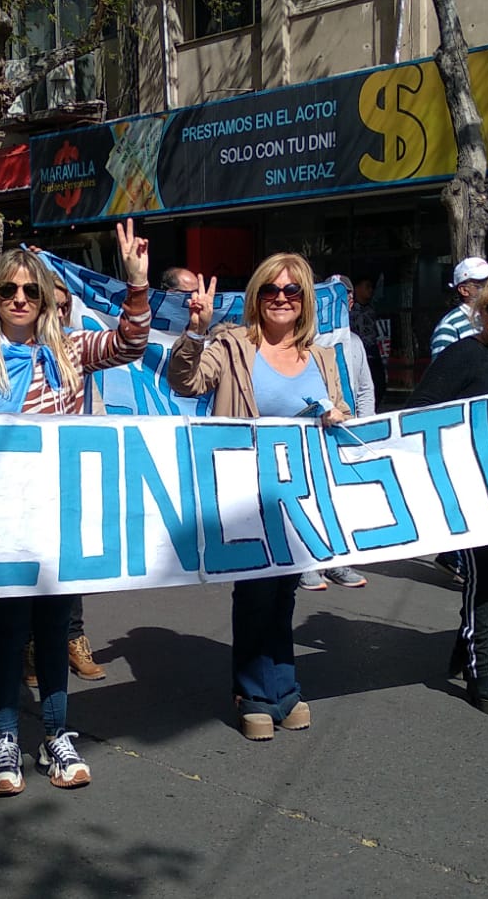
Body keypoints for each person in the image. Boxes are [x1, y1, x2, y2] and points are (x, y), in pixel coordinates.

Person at [0, 221, 151, 795]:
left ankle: (56, 734)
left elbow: (130, 344)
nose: (21, 299)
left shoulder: (70, 350)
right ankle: (5, 739)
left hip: (59, 516)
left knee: (53, 631)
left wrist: (136, 285)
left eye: (32, 291)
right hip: (4, 521)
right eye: (9, 290)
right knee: (9, 633)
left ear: (48, 299)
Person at [168, 251, 352, 740]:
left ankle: (284, 690)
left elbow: (343, 414)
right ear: (257, 297)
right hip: (244, 493)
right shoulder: (232, 345)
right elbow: (186, 381)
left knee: (284, 595)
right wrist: (196, 332)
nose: (281, 298)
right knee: (254, 594)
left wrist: (337, 416)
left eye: (292, 291)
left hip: (298, 497)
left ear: (305, 300)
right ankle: (254, 695)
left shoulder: (323, 358)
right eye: (271, 289)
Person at [406, 271, 488, 715]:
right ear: (479, 311)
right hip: (475, 485)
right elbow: (420, 409)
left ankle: (464, 647)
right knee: (482, 580)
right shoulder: (464, 354)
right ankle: (483, 669)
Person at [429, 256, 488, 584]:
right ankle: (467, 567)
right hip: (461, 427)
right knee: (468, 496)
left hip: (486, 425)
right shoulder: (450, 327)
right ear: (464, 289)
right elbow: (441, 382)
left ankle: (455, 557)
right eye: (483, 284)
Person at [302, 274, 371, 592]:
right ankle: (307, 563)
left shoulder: (353, 342)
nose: (347, 299)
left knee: (339, 498)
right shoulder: (303, 343)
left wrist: (365, 427)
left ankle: (336, 560)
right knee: (310, 498)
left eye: (348, 294)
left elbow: (365, 388)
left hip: (347, 431)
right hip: (312, 433)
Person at [348, 274, 386, 391]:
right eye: (367, 287)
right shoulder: (349, 311)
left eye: (371, 287)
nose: (370, 290)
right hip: (356, 351)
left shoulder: (372, 309)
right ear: (357, 288)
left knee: (379, 383)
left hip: (373, 350)